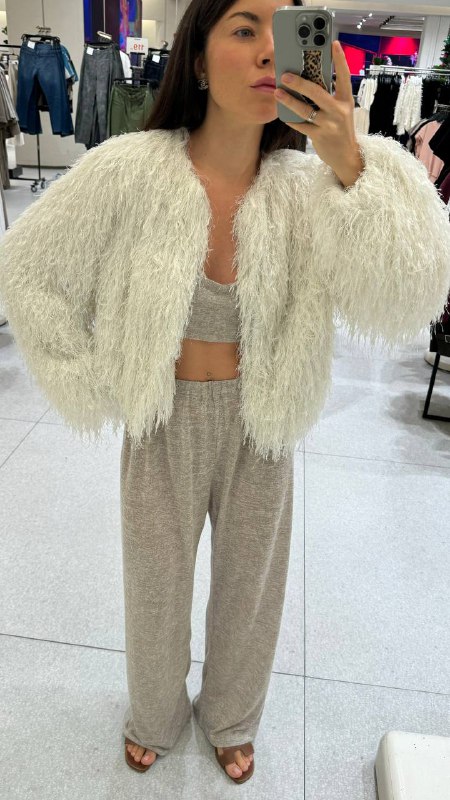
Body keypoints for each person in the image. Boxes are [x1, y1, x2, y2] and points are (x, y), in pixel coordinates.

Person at [1, 0, 450, 787]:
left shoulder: (311, 185)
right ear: (199, 61)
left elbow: (411, 294)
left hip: (261, 422)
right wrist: (93, 376)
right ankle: (154, 712)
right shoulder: (132, 169)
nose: (269, 51)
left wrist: (350, 158)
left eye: (282, 32)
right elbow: (28, 266)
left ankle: (233, 716)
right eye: (245, 29)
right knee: (155, 589)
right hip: (163, 420)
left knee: (251, 593)